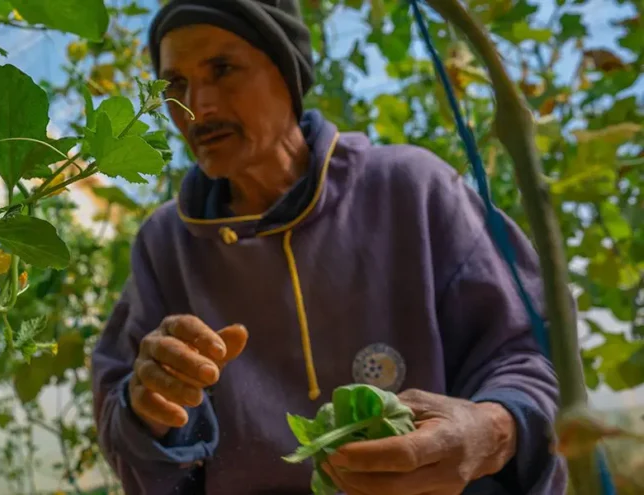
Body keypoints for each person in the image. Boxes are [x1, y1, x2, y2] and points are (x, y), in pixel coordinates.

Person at [90, 1, 568, 494]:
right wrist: (151, 410)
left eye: (223, 69)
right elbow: (124, 417)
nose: (198, 107)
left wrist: (492, 430)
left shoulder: (411, 189)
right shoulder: (166, 245)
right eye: (175, 85)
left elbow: (531, 352)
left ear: (289, 73)